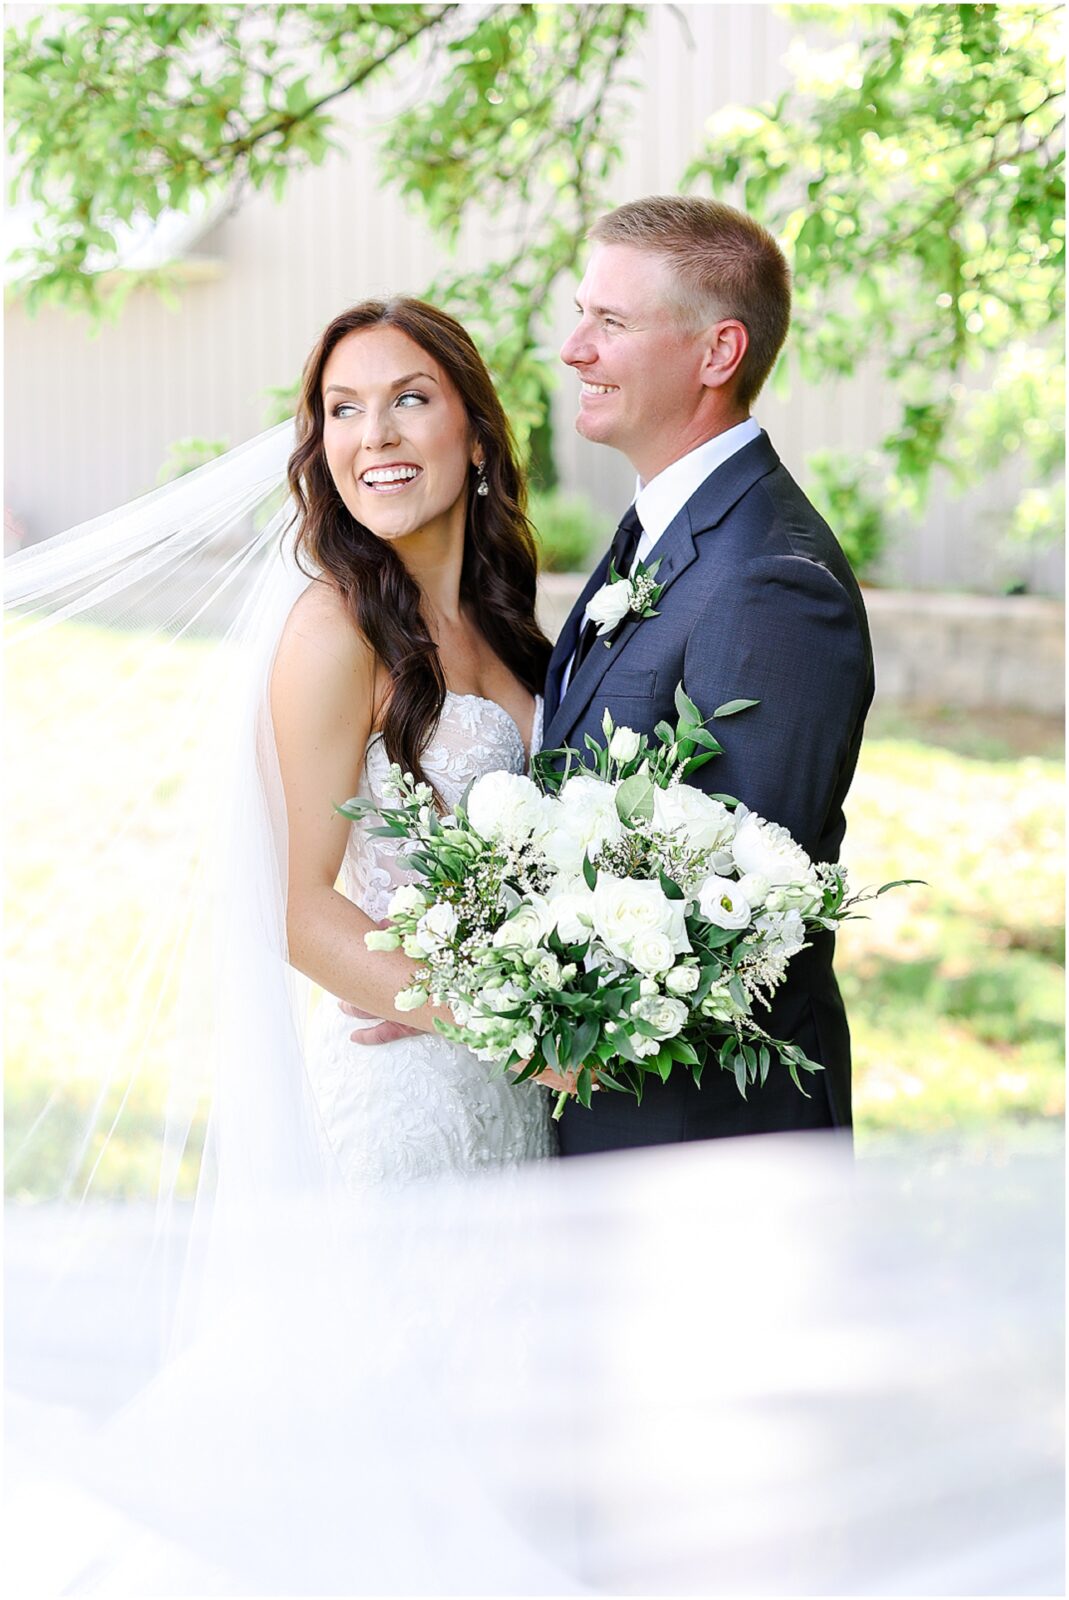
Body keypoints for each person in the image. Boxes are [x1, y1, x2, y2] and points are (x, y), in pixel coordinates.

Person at [544, 195, 874, 1154]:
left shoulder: (772, 579)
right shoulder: (668, 529)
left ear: (717, 353)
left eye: (610, 322)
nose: (574, 348)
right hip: (619, 1125)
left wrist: (478, 1010)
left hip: (706, 1146)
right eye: (581, 313)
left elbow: (730, 919)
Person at [273, 297, 558, 1186]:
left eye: (409, 399)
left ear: (475, 436)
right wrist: (509, 1028)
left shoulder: (505, 619)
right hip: (409, 1102)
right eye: (344, 408)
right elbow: (298, 909)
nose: (375, 435)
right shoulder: (332, 631)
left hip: (525, 1089)